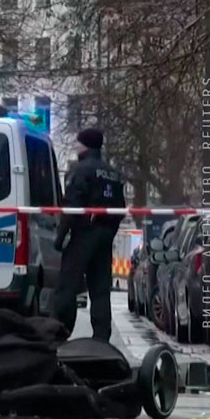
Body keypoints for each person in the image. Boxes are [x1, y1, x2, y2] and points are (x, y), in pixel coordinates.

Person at [51, 128, 126, 341]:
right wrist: (109, 232)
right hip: (105, 235)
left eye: (78, 143)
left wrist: (60, 237)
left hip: (83, 234)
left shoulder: (80, 170)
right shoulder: (113, 173)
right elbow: (120, 208)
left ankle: (60, 332)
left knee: (67, 286)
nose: (76, 147)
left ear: (85, 145)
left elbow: (72, 207)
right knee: (100, 289)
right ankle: (101, 338)